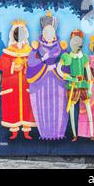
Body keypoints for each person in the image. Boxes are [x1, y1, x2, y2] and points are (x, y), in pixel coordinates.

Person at [27, 11, 69, 140]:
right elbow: (31, 62)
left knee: (59, 106)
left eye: (51, 32)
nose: (49, 35)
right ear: (43, 33)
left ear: (54, 33)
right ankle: (44, 134)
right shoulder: (36, 48)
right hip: (42, 83)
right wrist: (44, 62)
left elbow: (66, 61)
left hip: (58, 82)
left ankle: (59, 133)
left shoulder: (61, 47)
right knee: (42, 106)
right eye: (46, 32)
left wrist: (57, 67)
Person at [0, 20, 36, 140]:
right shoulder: (9, 51)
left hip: (26, 85)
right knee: (12, 107)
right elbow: (2, 64)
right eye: (17, 34)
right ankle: (14, 131)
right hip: (12, 86)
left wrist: (26, 66)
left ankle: (26, 131)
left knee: (27, 106)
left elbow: (34, 64)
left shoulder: (29, 51)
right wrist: (13, 66)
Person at [57, 29, 94, 141]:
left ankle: (92, 134)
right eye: (74, 40)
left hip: (83, 85)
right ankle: (75, 135)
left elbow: (89, 75)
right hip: (72, 85)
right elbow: (59, 69)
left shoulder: (84, 57)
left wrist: (90, 89)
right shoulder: (67, 57)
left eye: (78, 40)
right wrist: (70, 78)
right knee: (72, 111)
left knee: (88, 109)